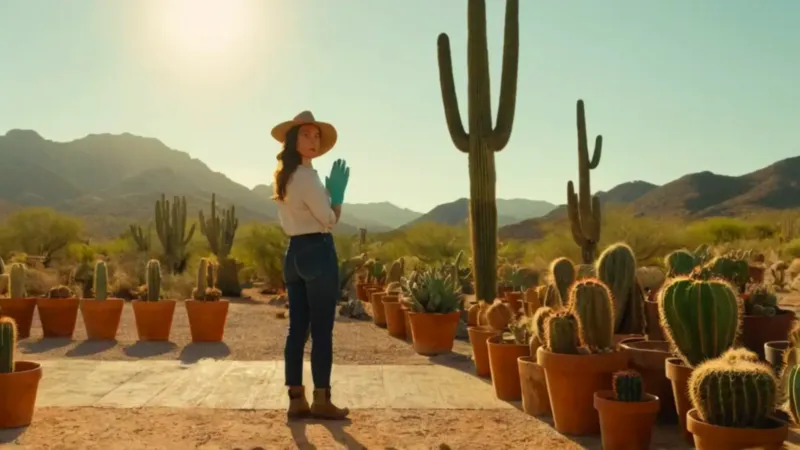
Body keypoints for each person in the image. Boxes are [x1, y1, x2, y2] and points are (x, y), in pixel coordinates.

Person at [270, 110, 351, 421]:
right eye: (305, 134)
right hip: (318, 252)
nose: (312, 140)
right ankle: (321, 400)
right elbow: (328, 220)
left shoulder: (285, 177)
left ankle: (295, 400)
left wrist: (325, 193)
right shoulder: (306, 177)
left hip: (293, 254)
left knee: (297, 330)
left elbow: (305, 210)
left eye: (316, 135)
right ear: (293, 140)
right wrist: (337, 197)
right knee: (322, 331)